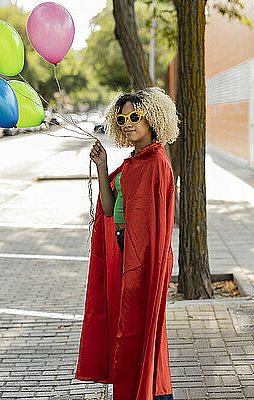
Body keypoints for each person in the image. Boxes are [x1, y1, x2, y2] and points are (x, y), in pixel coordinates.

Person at [75, 87, 179, 400]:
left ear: (154, 119)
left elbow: (156, 225)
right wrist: (102, 166)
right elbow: (109, 210)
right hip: (124, 253)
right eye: (122, 118)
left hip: (144, 259)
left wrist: (144, 263)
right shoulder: (131, 163)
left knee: (143, 329)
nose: (128, 123)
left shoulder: (157, 162)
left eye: (135, 116)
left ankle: (153, 394)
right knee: (128, 327)